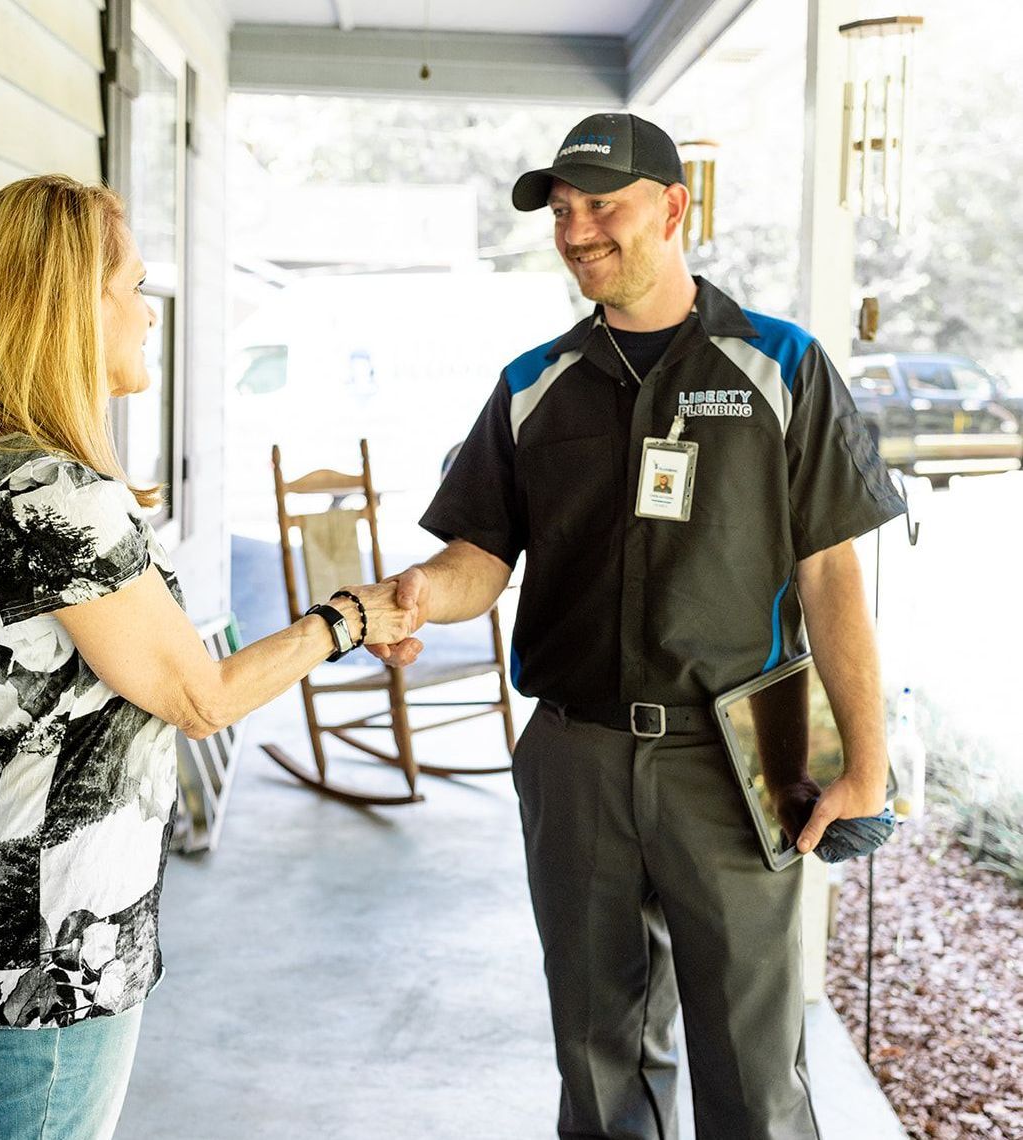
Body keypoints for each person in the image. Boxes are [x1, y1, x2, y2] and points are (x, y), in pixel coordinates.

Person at [367, 113, 906, 1138]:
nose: (577, 232)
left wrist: (867, 765)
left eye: (600, 206)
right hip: (574, 755)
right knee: (598, 1055)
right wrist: (417, 597)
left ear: (672, 207)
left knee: (754, 1069)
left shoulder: (781, 366)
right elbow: (479, 558)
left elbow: (832, 573)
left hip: (746, 751)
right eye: (562, 212)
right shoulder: (534, 386)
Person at [0, 175, 414, 1140]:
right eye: (132, 286)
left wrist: (124, 537)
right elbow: (199, 698)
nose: (148, 314)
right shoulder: (54, 492)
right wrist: (346, 617)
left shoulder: (7, 470)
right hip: (52, 934)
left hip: (8, 909)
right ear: (71, 308)